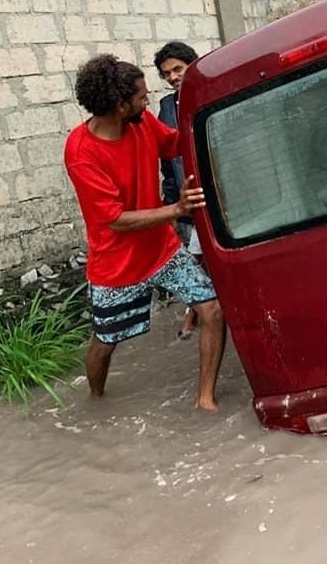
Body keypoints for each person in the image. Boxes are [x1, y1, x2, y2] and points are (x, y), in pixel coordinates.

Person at [64, 53, 225, 412]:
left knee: (212, 310)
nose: (147, 100)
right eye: (140, 97)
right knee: (106, 342)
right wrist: (178, 209)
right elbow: (116, 219)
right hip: (117, 265)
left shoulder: (141, 124)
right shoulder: (81, 151)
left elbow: (176, 143)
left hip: (162, 249)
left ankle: (205, 400)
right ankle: (96, 403)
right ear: (120, 106)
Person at [154, 42, 201, 340]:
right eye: (166, 73)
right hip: (189, 199)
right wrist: (172, 204)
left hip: (218, 194)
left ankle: (194, 313)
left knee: (202, 257)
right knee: (197, 255)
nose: (172, 77)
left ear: (192, 64)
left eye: (177, 69)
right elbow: (167, 163)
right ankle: (196, 311)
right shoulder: (167, 109)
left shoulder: (208, 94)